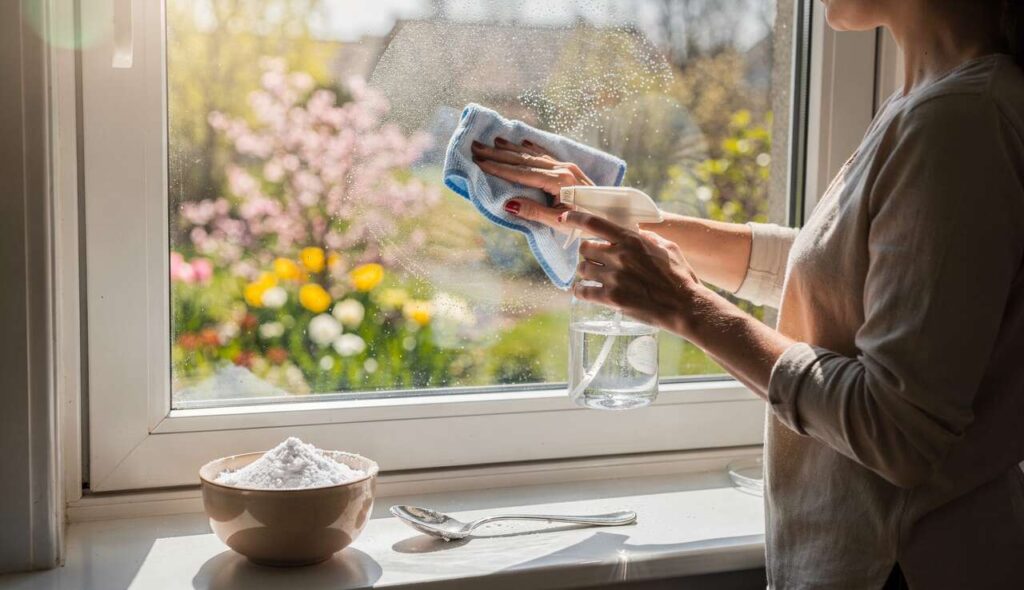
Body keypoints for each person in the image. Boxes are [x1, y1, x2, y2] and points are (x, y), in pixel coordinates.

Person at [471, 0, 1024, 587]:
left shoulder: (961, 119)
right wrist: (616, 218)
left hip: (904, 565)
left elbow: (898, 430)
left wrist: (687, 307)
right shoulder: (932, 101)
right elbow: (840, 273)